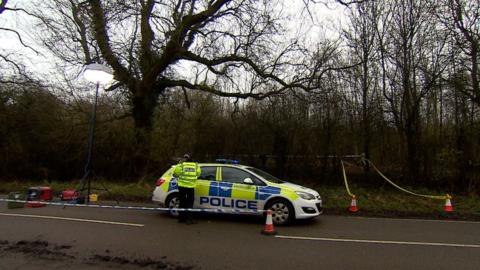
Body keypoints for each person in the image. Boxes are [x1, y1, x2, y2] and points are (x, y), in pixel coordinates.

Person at [173, 154, 201, 224]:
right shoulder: (196, 165)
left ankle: (181, 219)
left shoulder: (181, 165)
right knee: (190, 203)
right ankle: (189, 220)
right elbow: (198, 174)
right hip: (190, 187)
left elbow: (175, 173)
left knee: (182, 202)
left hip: (182, 186)